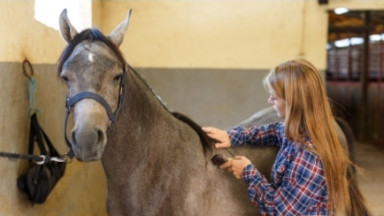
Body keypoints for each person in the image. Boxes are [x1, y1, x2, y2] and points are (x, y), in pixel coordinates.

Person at [203, 58, 351, 215]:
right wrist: (232, 136)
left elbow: (279, 211)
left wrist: (248, 171)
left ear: (294, 103)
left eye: (274, 98)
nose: (269, 101)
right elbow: (274, 131)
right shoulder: (299, 132)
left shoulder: (308, 157)